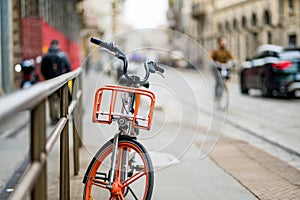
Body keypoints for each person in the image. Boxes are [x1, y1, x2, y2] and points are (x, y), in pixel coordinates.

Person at [41, 39, 71, 124]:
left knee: (51, 99)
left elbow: (42, 70)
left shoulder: (46, 56)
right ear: (58, 45)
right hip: (60, 80)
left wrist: (47, 77)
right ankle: (60, 116)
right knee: (61, 98)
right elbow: (68, 67)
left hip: (49, 81)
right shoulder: (62, 55)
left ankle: (53, 118)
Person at [210, 36, 235, 108]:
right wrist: (213, 63)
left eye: (224, 41)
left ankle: (225, 86)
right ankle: (217, 97)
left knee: (225, 79)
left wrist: (233, 62)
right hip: (217, 68)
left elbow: (232, 57)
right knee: (219, 82)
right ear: (219, 42)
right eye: (222, 41)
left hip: (225, 68)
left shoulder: (227, 50)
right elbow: (210, 58)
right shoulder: (215, 50)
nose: (223, 43)